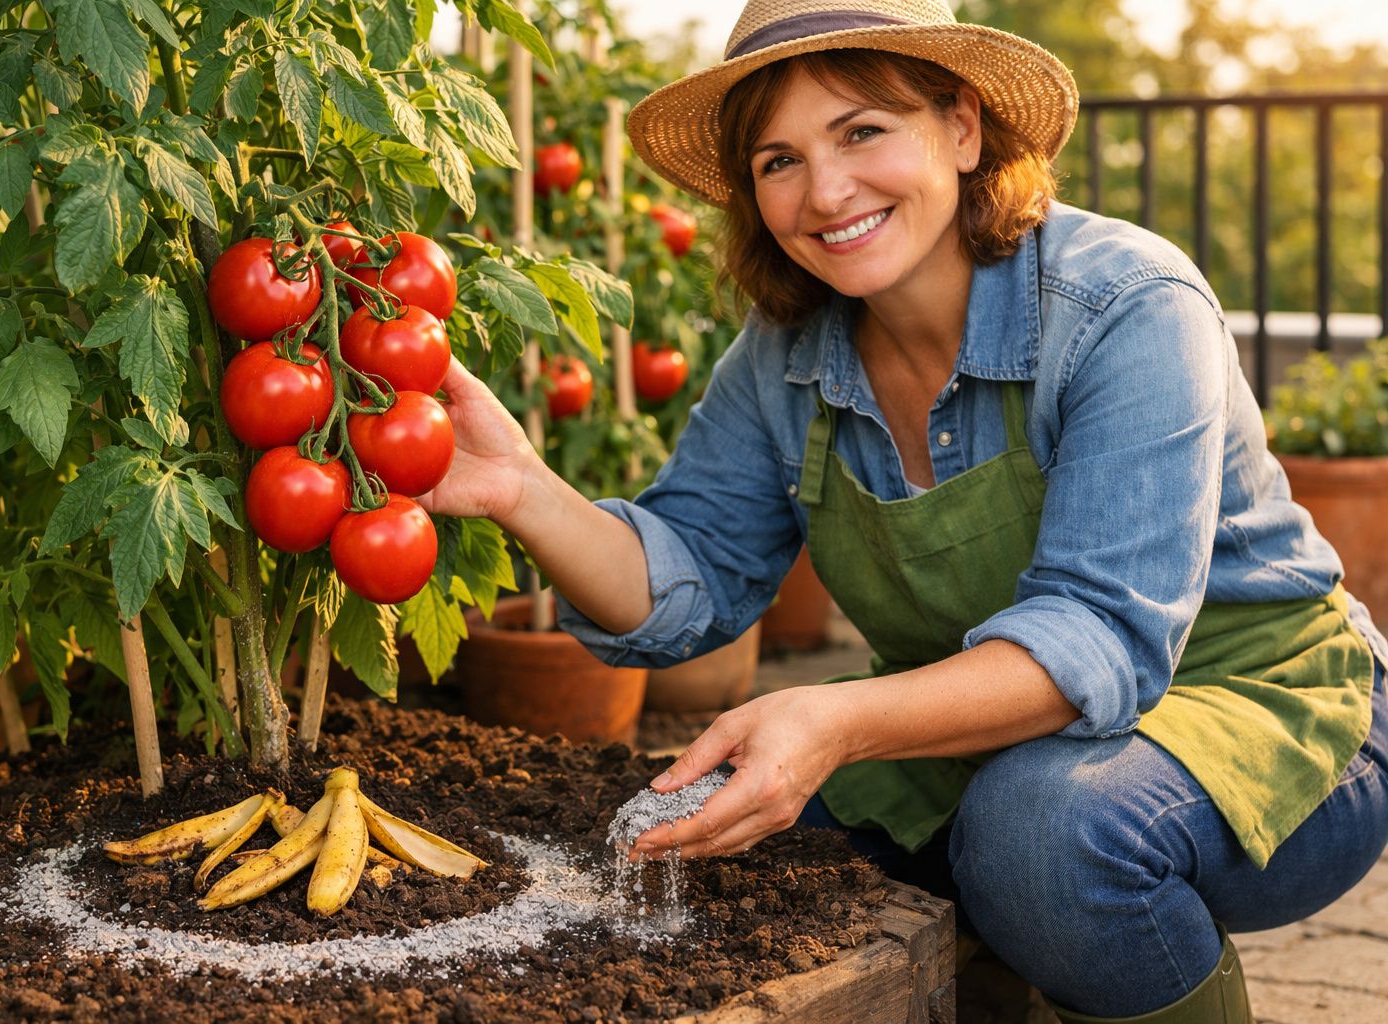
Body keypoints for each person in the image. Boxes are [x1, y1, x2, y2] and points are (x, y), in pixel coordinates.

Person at [419, 0, 1388, 1019]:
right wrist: (524, 490)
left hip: (1275, 715)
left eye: (862, 131)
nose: (825, 191)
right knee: (724, 840)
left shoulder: (1127, 306)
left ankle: (1083, 940)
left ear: (963, 128)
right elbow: (688, 581)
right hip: (991, 735)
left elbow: (1100, 638)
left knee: (1041, 837)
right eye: (778, 159)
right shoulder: (784, 355)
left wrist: (833, 719)